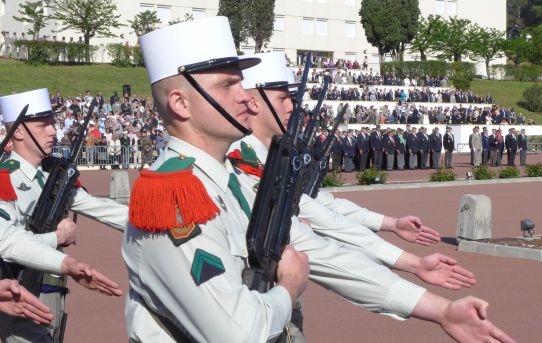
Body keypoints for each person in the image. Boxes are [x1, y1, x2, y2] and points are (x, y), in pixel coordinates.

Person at [229, 51, 514, 343]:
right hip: (253, 312)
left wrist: (395, 235)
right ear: (253, 102)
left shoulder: (263, 157)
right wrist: (423, 285)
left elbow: (323, 209)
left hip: (274, 305)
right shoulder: (240, 163)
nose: (293, 106)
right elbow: (320, 234)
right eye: (282, 98)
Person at [122, 17, 310, 342]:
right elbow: (239, 334)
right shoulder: (176, 197)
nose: (247, 98)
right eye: (227, 85)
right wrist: (290, 286)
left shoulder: (225, 180)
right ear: (180, 103)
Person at [0, 88, 125, 342]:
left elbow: (100, 208)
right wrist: (56, 238)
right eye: (43, 124)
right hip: (19, 296)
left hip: (55, 290)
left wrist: (155, 221)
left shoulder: (53, 175)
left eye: (52, 123)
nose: (53, 131)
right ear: (20, 132)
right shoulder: (4, 180)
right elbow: (7, 242)